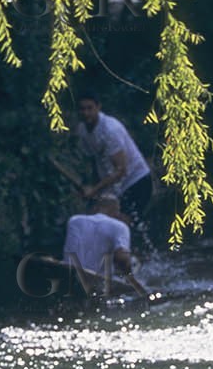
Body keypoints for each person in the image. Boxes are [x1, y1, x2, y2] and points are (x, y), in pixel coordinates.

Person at [76, 93, 154, 228]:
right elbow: (94, 161)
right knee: (106, 222)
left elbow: (121, 170)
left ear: (98, 107)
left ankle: (143, 247)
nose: (86, 113)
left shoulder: (110, 130)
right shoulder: (82, 130)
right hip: (114, 185)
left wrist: (94, 190)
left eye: (90, 108)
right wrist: (90, 187)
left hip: (136, 181)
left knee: (123, 226)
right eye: (82, 109)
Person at [64, 197, 146, 298]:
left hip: (69, 277)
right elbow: (122, 258)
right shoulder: (120, 227)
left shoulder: (74, 221)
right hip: (96, 284)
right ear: (116, 212)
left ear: (95, 208)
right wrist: (131, 279)